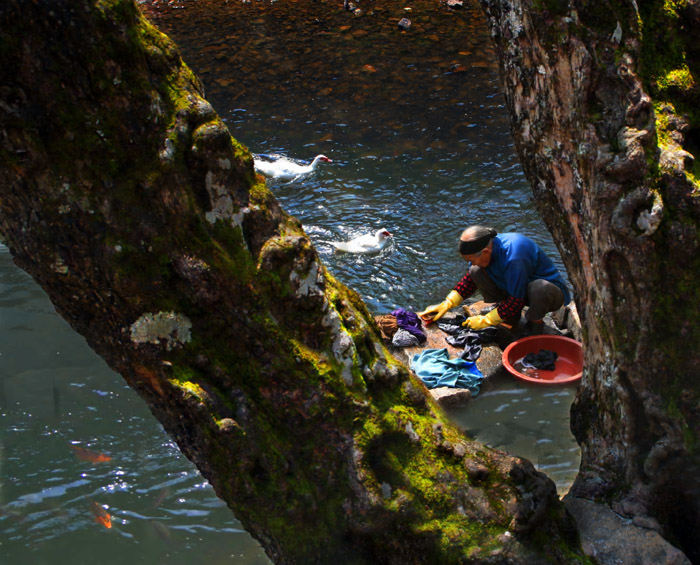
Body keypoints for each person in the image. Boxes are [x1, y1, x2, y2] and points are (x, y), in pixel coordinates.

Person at [418, 225, 571, 334]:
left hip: (549, 294)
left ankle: (535, 323)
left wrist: (487, 320)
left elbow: (517, 300)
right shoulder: (488, 250)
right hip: (518, 288)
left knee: (539, 288)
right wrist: (447, 303)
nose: (472, 263)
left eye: (472, 259)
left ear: (485, 252)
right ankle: (510, 316)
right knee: (475, 271)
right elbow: (470, 280)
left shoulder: (514, 256)